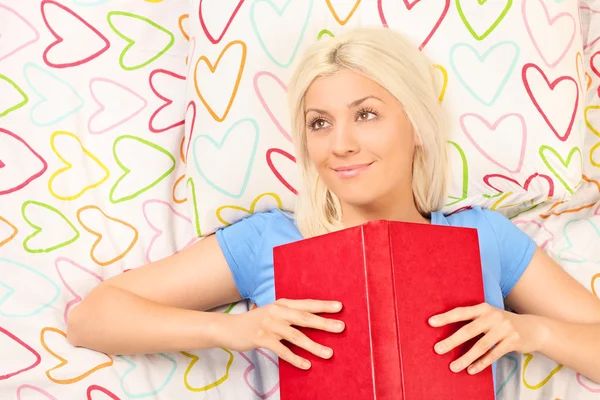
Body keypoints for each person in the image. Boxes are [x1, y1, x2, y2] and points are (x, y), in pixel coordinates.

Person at [68, 28, 600, 387]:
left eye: (365, 114)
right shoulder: (273, 240)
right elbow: (93, 319)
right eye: (319, 122)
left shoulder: (482, 236)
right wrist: (232, 331)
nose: (339, 144)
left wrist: (532, 332)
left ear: (414, 124)